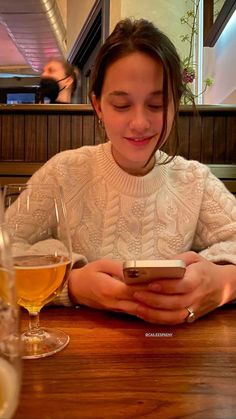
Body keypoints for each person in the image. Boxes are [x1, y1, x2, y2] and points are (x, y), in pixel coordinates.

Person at [6, 18, 236, 324]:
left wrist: (222, 283)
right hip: (79, 356)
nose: (140, 123)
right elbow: (6, 247)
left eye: (156, 105)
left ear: (175, 104)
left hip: (174, 355)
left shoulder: (194, 181)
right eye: (122, 105)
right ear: (98, 106)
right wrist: (71, 284)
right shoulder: (63, 173)